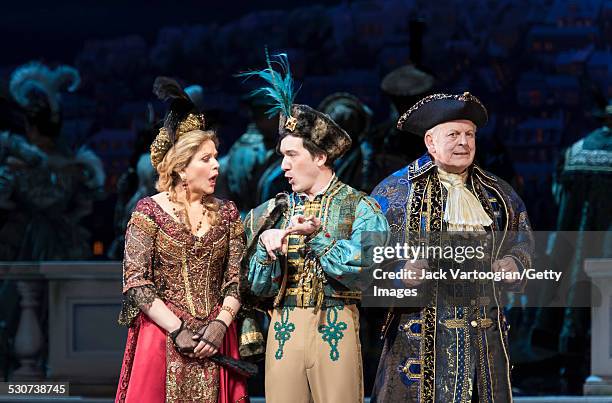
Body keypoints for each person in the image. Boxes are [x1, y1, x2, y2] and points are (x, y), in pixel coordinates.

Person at [241, 51, 389, 403]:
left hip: (334, 325)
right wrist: (265, 251)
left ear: (320, 157)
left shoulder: (361, 207)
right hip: (284, 327)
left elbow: (368, 270)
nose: (284, 165)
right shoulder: (272, 211)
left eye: (292, 155)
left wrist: (319, 238)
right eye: (281, 155)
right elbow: (255, 287)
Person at [370, 92, 533, 402]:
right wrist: (401, 274)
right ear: (430, 142)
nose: (464, 142)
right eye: (454, 134)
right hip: (419, 332)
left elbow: (522, 241)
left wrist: (515, 263)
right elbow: (368, 257)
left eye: (469, 134)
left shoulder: (497, 193)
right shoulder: (394, 192)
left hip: (482, 334)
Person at [115, 77, 248, 403]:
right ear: (181, 169)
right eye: (206, 159)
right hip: (161, 339)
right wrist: (176, 329)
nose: (216, 165)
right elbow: (136, 282)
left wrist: (220, 324)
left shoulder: (228, 213)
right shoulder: (148, 212)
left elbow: (237, 280)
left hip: (217, 339)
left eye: (216, 156)